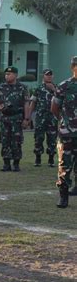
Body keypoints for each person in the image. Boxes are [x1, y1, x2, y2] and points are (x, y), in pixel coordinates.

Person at [51, 56, 77, 208]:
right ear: (73, 67)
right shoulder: (64, 86)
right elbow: (55, 108)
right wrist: (64, 122)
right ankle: (63, 195)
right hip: (67, 134)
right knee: (64, 165)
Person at [0, 66, 30, 172]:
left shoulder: (22, 87)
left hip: (17, 118)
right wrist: (1, 107)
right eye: (5, 74)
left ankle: (16, 164)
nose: (6, 76)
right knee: (5, 140)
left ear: (15, 75)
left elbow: (26, 103)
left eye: (9, 74)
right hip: (5, 118)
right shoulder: (1, 87)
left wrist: (26, 119)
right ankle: (6, 164)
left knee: (16, 141)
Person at [28, 69, 58, 167]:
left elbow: (62, 101)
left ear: (53, 76)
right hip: (40, 117)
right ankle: (38, 158)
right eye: (47, 75)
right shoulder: (38, 88)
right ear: (43, 76)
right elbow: (33, 103)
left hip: (52, 118)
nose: (49, 76)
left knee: (52, 139)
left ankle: (51, 159)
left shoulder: (57, 88)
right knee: (38, 138)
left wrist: (53, 89)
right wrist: (28, 117)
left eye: (50, 75)